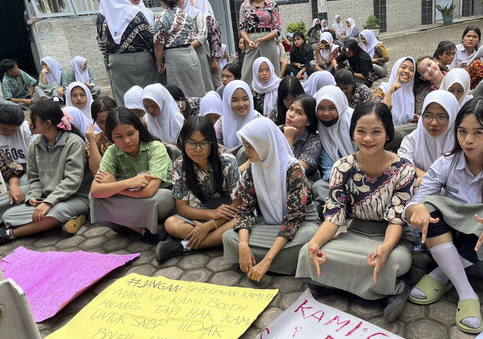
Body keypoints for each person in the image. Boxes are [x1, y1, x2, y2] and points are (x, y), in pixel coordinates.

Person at [405, 98, 483, 334]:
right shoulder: (446, 163)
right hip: (446, 247)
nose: (468, 140)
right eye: (462, 131)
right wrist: (415, 209)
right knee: (428, 205)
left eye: (478, 132)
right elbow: (414, 203)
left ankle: (442, 275)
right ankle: (467, 293)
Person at [296, 102, 417, 322]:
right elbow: (334, 216)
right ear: (352, 133)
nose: (368, 138)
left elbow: (397, 221)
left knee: (391, 260)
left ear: (388, 134)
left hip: (392, 236)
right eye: (361, 131)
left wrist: (385, 248)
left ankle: (395, 289)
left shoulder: (405, 169)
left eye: (376, 132)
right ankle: (380, 290)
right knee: (308, 250)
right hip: (353, 232)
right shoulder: (342, 167)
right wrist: (315, 243)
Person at [222, 118, 320, 282]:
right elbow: (246, 209)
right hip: (271, 224)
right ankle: (275, 261)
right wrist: (243, 245)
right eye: (245, 145)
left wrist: (267, 260)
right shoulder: (254, 168)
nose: (247, 151)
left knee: (309, 237)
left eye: (251, 146)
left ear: (265, 143)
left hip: (301, 224)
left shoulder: (293, 169)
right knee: (229, 237)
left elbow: (294, 218)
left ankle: (265, 262)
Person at [0, 102, 91, 246]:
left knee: (56, 213)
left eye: (33, 119)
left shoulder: (74, 143)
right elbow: (35, 178)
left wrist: (48, 202)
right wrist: (33, 197)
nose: (29, 122)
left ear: (48, 123)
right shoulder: (35, 145)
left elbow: (72, 181)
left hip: (76, 196)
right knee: (8, 216)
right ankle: (68, 220)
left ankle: (10, 234)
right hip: (46, 197)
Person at [156, 116, 241, 262]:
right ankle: (213, 239)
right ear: (183, 142)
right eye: (192, 143)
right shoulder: (180, 165)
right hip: (204, 210)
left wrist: (208, 226)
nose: (198, 149)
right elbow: (182, 208)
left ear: (212, 143)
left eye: (204, 143)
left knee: (241, 222)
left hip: (230, 212)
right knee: (171, 224)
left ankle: (183, 245)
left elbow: (237, 205)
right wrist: (212, 214)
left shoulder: (227, 161)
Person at [90, 107, 174, 242]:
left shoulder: (155, 148)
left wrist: (113, 187)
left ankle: (125, 224)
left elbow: (149, 191)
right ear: (111, 136)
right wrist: (127, 183)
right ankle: (142, 231)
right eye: (119, 137)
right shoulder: (112, 151)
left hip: (158, 195)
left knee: (156, 200)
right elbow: (95, 190)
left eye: (130, 133)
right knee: (95, 197)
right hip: (133, 196)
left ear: (138, 130)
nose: (126, 140)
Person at [96, 0, 161, 107]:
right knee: (149, 98)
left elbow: (102, 44)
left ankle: (127, 125)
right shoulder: (134, 13)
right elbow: (150, 40)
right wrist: (159, 61)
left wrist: (110, 61)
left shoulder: (101, 16)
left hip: (117, 64)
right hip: (142, 63)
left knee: (124, 100)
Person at [154, 0, 206, 99]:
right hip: (191, 54)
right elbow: (192, 35)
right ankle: (199, 113)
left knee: (179, 93)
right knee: (196, 89)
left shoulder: (160, 18)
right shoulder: (186, 15)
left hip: (174, 57)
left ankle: (184, 115)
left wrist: (159, 64)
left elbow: (158, 45)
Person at [398, 90, 458, 185]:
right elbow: (404, 166)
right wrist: (432, 181)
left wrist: (424, 178)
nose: (434, 123)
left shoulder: (459, 142)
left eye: (441, 117)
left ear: (452, 117)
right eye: (428, 115)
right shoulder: (412, 139)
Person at [312, 85, 356, 211]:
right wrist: (340, 181)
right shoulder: (320, 129)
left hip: (361, 177)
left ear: (340, 106)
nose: (326, 113)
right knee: (318, 186)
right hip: (337, 180)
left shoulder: (355, 122)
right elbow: (327, 165)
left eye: (332, 108)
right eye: (321, 108)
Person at [239, 0, 282, 88]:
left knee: (272, 74)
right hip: (251, 43)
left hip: (268, 42)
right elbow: (242, 28)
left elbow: (277, 29)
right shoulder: (245, 5)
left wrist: (263, 39)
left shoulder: (272, 5)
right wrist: (248, 41)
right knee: (247, 75)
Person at [280, 94, 322, 180]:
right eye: (291, 109)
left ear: (308, 121)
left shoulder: (314, 142)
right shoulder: (277, 130)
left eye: (299, 113)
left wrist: (288, 140)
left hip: (303, 182)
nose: (291, 115)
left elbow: (294, 172)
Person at [0, 104, 33, 169]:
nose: (8, 132)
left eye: (14, 130)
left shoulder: (26, 129)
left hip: (27, 167)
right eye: (4, 129)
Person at [215, 80, 261, 149]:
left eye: (245, 99)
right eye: (235, 100)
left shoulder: (259, 121)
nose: (241, 104)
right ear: (227, 101)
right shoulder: (221, 124)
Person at [192, 0, 223, 89]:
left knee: (215, 83)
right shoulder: (194, 18)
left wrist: (214, 60)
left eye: (192, 1)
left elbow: (216, 41)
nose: (190, 4)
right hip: (204, 56)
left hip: (211, 57)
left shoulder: (209, 20)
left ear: (199, 2)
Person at [374, 57, 417, 125]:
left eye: (411, 70)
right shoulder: (381, 90)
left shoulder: (413, 94)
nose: (406, 71)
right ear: (395, 68)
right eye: (403, 67)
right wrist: (389, 92)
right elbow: (378, 115)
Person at [86, 96, 117, 175]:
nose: (107, 125)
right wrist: (92, 142)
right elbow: (97, 171)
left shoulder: (129, 133)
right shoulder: (96, 141)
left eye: (110, 120)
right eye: (101, 122)